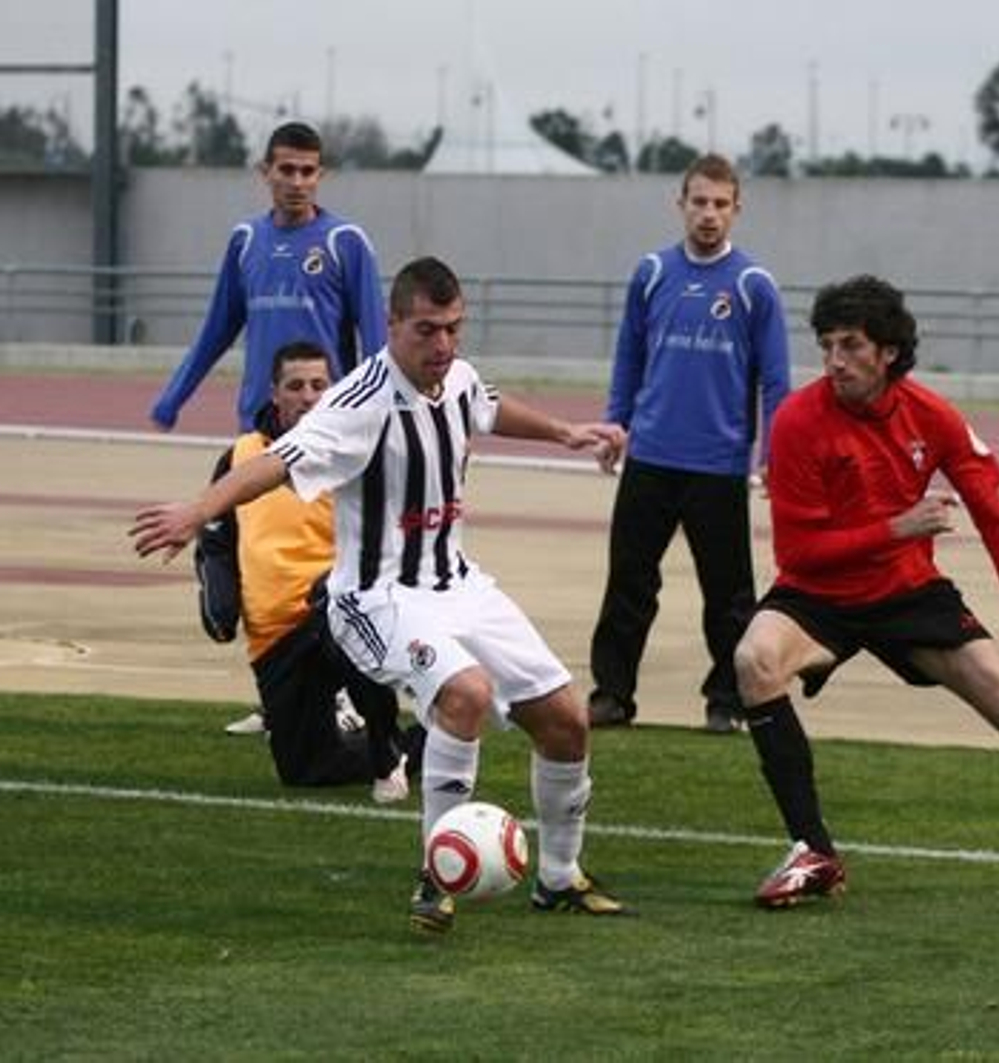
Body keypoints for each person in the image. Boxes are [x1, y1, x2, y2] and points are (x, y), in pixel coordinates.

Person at [132, 256, 632, 934]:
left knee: (566, 719)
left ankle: (559, 877)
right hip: (376, 596)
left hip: (458, 583)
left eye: (453, 328)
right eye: (427, 330)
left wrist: (565, 432)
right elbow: (275, 462)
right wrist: (199, 510)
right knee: (466, 694)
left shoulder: (454, 375)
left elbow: (486, 404)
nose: (443, 344)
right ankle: (437, 875)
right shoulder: (358, 401)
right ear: (392, 324)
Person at [731, 275, 999, 908]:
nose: (834, 361)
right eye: (826, 346)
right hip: (818, 594)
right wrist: (896, 528)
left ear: (887, 352)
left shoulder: (932, 416)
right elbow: (798, 555)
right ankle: (814, 851)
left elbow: (995, 521)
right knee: (754, 659)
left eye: (850, 345)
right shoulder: (797, 419)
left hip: (909, 595)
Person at [587, 153, 791, 734]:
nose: (709, 214)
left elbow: (776, 382)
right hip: (650, 457)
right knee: (629, 583)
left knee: (728, 595)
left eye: (720, 204)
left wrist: (773, 456)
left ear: (736, 210)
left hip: (718, 466)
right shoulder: (652, 273)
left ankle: (728, 700)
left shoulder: (754, 286)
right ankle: (612, 695)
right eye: (699, 202)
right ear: (681, 204)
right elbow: (629, 357)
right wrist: (615, 425)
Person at [193, 340, 415, 802]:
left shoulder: (355, 453)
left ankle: (384, 755)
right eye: (295, 386)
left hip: (335, 606)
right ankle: (423, 746)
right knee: (307, 770)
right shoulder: (241, 456)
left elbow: (394, 534)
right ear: (274, 394)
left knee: (344, 612)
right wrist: (219, 599)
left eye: (318, 385)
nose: (308, 396)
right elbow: (216, 537)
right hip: (275, 633)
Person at [150, 121, 386, 434]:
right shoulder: (245, 240)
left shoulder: (345, 241)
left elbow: (376, 342)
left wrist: (379, 418)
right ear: (265, 172)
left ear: (320, 175)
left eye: (307, 172)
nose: (297, 182)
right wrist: (172, 399)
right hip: (258, 422)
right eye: (287, 170)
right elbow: (215, 332)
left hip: (327, 423)